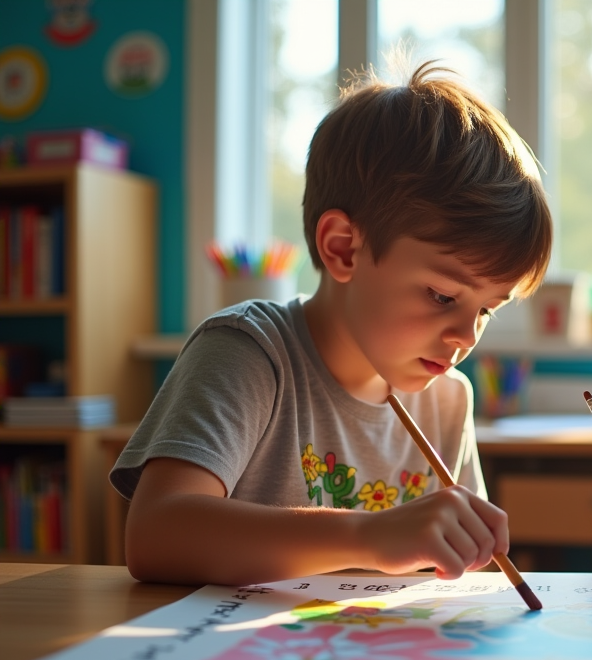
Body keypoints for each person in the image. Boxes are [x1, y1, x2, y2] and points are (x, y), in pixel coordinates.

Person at [112, 63, 552, 587]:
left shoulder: (447, 398)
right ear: (343, 248)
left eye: (486, 309)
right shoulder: (251, 353)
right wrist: (369, 536)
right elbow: (156, 536)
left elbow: (456, 574)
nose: (467, 336)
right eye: (442, 295)